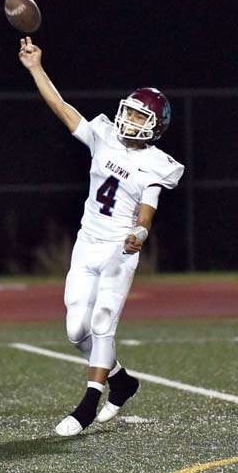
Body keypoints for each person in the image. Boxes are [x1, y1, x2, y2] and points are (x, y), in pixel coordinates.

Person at [18, 36, 184, 436]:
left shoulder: (157, 165)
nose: (131, 120)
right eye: (131, 112)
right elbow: (62, 108)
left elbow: (147, 210)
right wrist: (36, 68)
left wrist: (139, 232)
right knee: (77, 331)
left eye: (141, 117)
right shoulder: (104, 135)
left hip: (118, 251)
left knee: (103, 321)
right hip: (86, 243)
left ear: (155, 127)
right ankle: (121, 382)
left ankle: (88, 404)